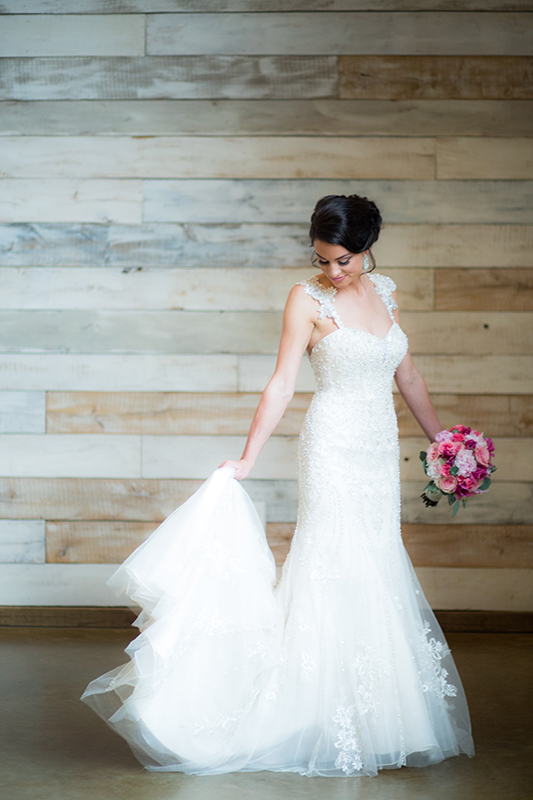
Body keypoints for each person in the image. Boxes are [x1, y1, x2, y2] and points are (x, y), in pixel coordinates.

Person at [81, 194, 475, 777]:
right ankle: (316, 712)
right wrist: (246, 459)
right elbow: (283, 383)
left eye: (343, 260)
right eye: (323, 260)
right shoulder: (306, 298)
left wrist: (445, 441)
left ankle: (375, 715)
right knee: (335, 562)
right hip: (334, 446)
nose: (332, 272)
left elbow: (407, 373)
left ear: (367, 249)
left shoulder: (384, 292)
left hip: (377, 452)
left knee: (376, 560)